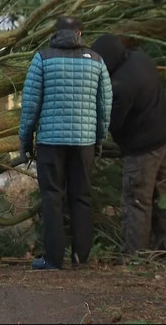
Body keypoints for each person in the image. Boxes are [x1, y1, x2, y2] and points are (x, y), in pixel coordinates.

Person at [18, 16, 113, 270]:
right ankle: (81, 259)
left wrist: (25, 140)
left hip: (51, 142)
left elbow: (30, 106)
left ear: (55, 33)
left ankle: (53, 259)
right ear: (79, 33)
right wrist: (99, 139)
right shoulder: (96, 61)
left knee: (52, 198)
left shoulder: (42, 59)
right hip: (84, 142)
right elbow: (105, 106)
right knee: (81, 197)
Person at [90, 33, 166, 258]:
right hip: (165, 140)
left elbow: (113, 122)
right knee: (164, 199)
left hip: (142, 150)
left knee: (137, 201)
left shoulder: (121, 85)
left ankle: (135, 256)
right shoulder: (141, 59)